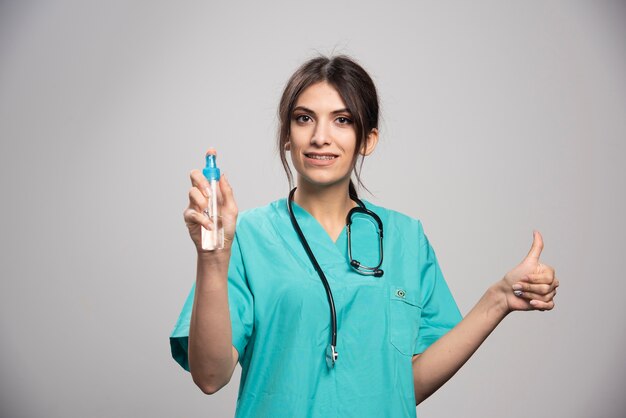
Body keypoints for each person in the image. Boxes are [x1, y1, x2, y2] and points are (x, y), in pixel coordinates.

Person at [170, 55, 559, 418]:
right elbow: (209, 377)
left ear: (367, 139)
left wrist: (498, 300)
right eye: (304, 119)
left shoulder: (406, 239)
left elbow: (406, 386)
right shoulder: (248, 237)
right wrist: (213, 260)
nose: (321, 136)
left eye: (342, 120)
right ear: (287, 135)